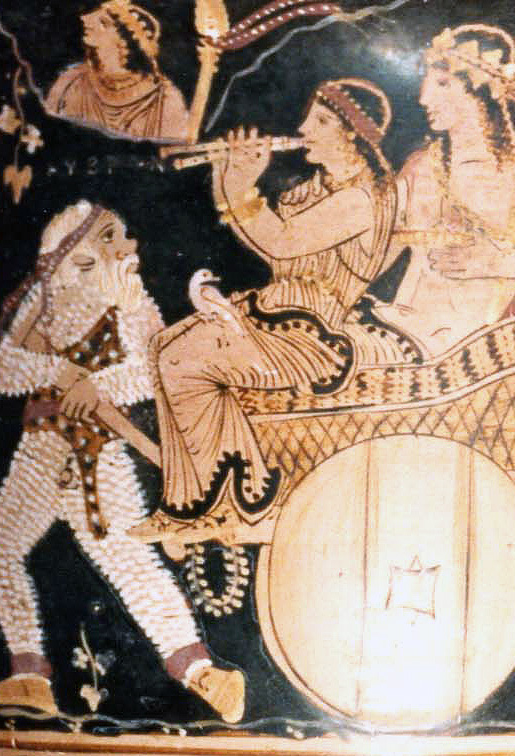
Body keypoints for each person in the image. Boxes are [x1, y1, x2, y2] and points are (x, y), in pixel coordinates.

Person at [0, 201, 244, 722]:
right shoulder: (46, 297)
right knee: (1, 550)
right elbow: (2, 370)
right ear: (77, 252)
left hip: (96, 454)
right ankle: (30, 677)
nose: (129, 247)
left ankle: (205, 675)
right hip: (41, 451)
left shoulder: (130, 300)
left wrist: (95, 386)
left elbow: (151, 373)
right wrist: (59, 374)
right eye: (112, 237)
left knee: (129, 563)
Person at [130, 78, 397, 544]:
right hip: (278, 321)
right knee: (162, 347)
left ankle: (231, 498)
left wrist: (241, 183)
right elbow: (267, 248)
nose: (303, 129)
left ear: (352, 137)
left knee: (183, 359)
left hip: (313, 340)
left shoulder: (360, 200)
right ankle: (188, 501)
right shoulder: (315, 189)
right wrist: (227, 174)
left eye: (320, 121)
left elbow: (282, 241)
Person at [377, 24, 515, 356]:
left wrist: (489, 261)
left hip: (482, 336)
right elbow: (379, 244)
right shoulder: (420, 166)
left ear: (479, 89)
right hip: (408, 328)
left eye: (443, 84)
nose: (424, 98)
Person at [46, 0, 188, 139]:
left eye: (104, 23)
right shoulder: (71, 81)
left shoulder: (164, 99)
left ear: (125, 40)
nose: (87, 20)